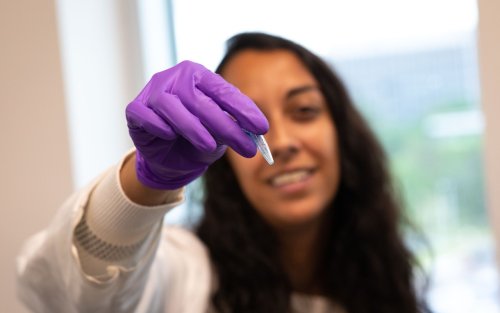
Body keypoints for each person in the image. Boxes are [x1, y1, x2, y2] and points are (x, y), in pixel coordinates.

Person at [17, 32, 430, 313]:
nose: (282, 141)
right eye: (248, 124)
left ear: (342, 133)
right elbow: (71, 293)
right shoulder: (185, 272)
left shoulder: (385, 274)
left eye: (304, 111)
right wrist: (146, 181)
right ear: (226, 159)